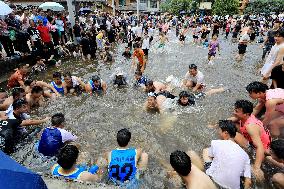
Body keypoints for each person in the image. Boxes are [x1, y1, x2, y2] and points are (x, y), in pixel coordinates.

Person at [202, 120, 251, 189]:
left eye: (219, 131)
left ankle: (206, 174)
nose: (218, 133)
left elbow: (212, 155)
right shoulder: (245, 155)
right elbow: (248, 182)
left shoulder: (216, 143)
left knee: (206, 151)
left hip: (215, 181)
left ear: (225, 133)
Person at [230, 100, 271, 182]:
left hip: (263, 149)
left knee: (231, 135)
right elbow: (233, 119)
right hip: (259, 143)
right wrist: (216, 124)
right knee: (232, 126)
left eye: (236, 111)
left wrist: (256, 167)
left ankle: (262, 181)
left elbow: (260, 147)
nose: (233, 112)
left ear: (245, 114)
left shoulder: (250, 127)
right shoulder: (247, 116)